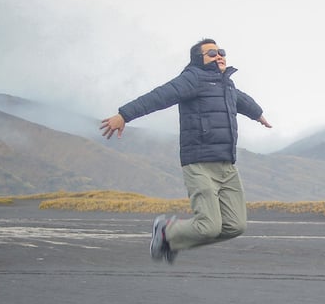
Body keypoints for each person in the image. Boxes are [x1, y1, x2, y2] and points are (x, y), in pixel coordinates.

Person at [100, 38, 271, 264]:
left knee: (235, 226)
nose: (219, 55)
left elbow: (242, 100)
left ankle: (171, 241)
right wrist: (124, 115)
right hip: (199, 163)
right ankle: (166, 232)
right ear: (199, 59)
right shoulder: (193, 79)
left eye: (221, 52)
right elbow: (159, 96)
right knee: (209, 226)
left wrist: (258, 114)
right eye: (211, 53)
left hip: (227, 165)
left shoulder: (226, 85)